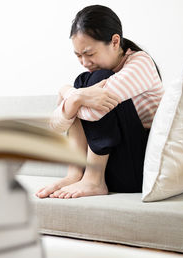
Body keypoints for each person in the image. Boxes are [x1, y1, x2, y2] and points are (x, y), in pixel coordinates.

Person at [36, 5, 164, 199]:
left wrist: (71, 96)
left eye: (90, 54)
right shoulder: (89, 78)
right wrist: (74, 94)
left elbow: (94, 113)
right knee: (83, 81)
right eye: (78, 55)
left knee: (94, 80)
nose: (85, 62)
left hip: (138, 169)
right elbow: (54, 125)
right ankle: (75, 174)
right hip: (116, 166)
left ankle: (94, 180)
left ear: (115, 41)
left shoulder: (140, 64)